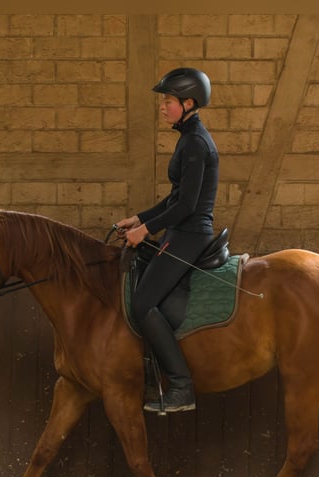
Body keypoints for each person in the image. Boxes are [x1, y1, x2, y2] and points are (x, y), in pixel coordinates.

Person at [115, 67, 219, 413]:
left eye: (168, 101)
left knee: (142, 304)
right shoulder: (188, 138)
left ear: (188, 103)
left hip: (191, 234)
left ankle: (180, 385)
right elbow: (175, 199)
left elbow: (187, 206)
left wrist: (146, 231)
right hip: (181, 229)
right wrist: (141, 218)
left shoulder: (195, 143)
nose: (163, 107)